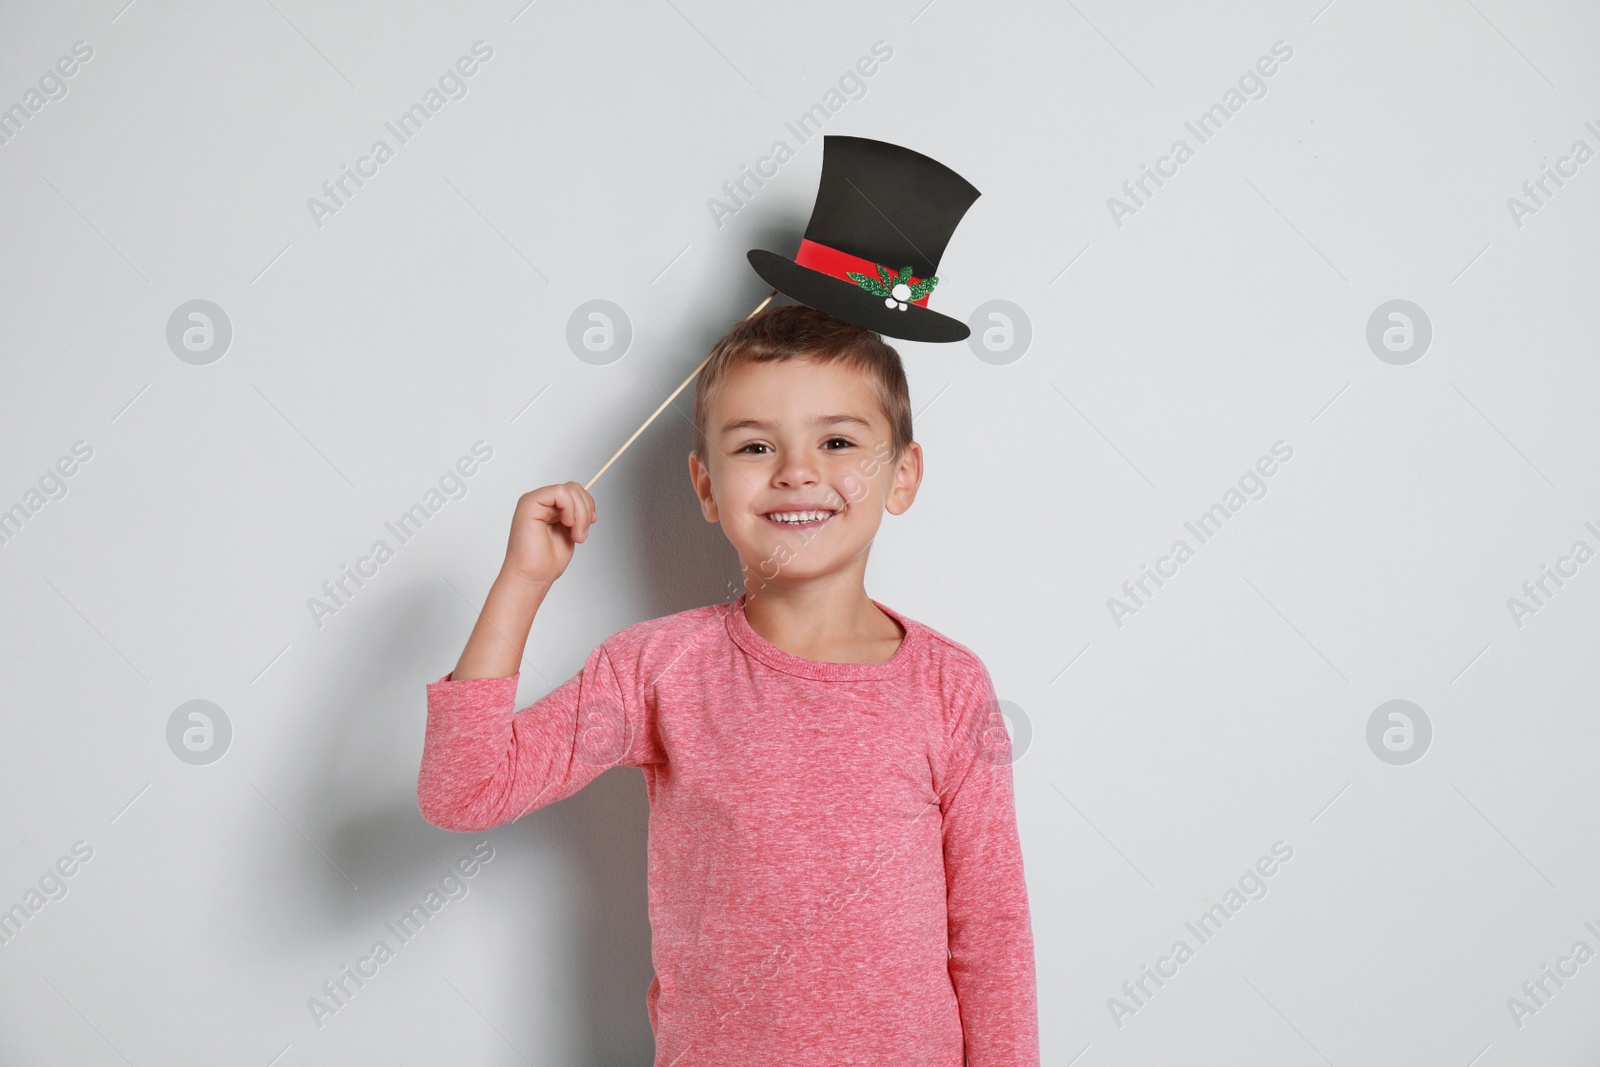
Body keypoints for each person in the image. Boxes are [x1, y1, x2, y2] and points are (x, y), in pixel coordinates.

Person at [416, 302, 1040, 1065]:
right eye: (754, 446)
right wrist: (521, 583)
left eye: (837, 440)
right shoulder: (655, 670)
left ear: (902, 474)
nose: (797, 471)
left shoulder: (950, 685)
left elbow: (992, 936)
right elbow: (466, 789)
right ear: (706, 487)